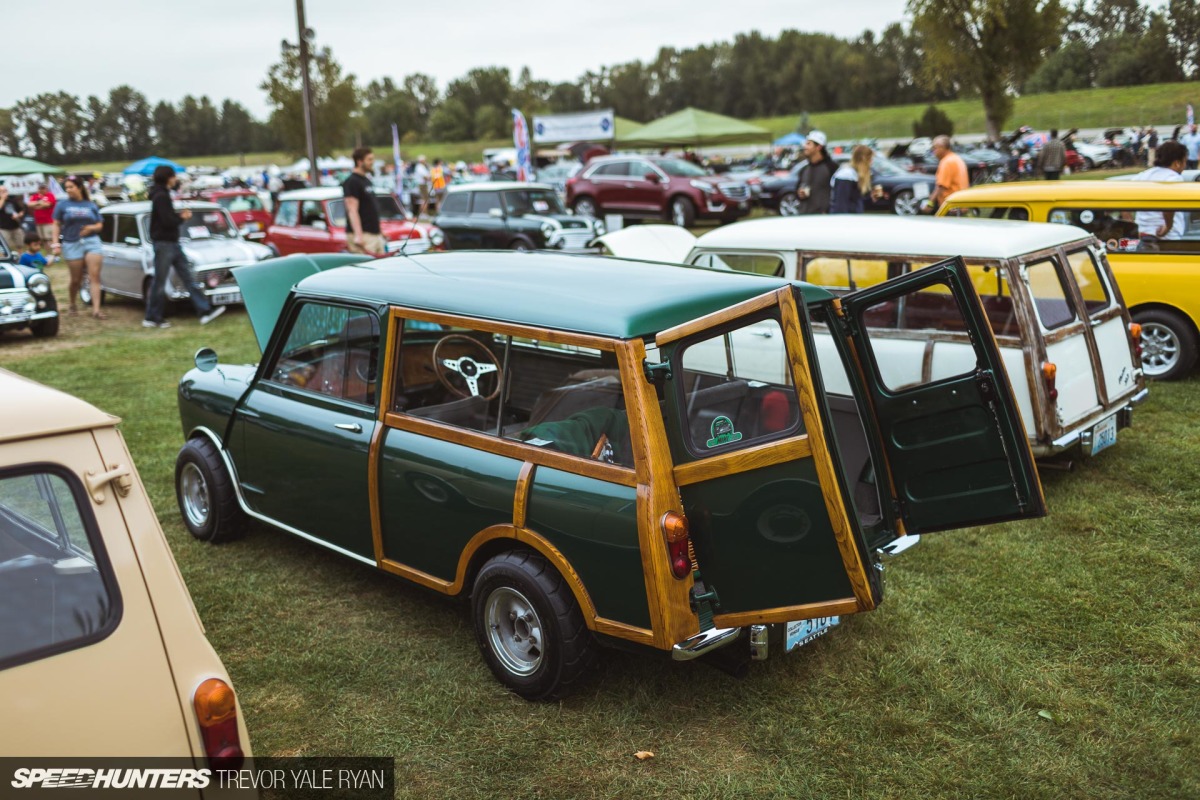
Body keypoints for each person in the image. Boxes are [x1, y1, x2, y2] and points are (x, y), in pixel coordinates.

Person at [143, 165, 225, 329]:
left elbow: (165, 218)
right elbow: (167, 221)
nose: (175, 179)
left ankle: (204, 311)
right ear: (167, 178)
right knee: (160, 281)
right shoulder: (161, 196)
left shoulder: (162, 195)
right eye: (173, 176)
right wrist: (182, 217)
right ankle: (152, 317)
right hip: (164, 243)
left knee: (188, 277)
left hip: (171, 243)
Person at [50, 176, 105, 318]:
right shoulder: (62, 205)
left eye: (71, 187)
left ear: (79, 187)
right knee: (76, 279)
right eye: (66, 187)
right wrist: (56, 243)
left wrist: (91, 227)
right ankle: (73, 303)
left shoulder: (90, 204)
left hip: (92, 242)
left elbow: (100, 224)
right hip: (71, 243)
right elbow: (56, 224)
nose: (68, 190)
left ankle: (96, 310)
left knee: (94, 276)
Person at [1132, 140, 1188, 251]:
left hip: (1143, 234)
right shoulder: (1174, 178)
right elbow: (1168, 207)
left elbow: (1124, 195)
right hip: (1166, 237)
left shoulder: (1144, 175)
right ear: (1177, 163)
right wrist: (1168, 226)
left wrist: (1130, 222)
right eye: (1184, 161)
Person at [343, 147, 383, 256]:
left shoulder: (367, 181)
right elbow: (352, 210)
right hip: (364, 236)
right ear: (360, 162)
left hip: (374, 234)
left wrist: (381, 231)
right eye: (369, 160)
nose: (372, 162)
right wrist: (358, 235)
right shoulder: (352, 182)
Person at [830, 145, 882, 213]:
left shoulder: (857, 175)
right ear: (864, 160)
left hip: (855, 219)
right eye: (870, 159)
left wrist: (872, 197)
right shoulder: (846, 175)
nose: (871, 163)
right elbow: (841, 205)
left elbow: (857, 201)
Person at [795, 130, 835, 214]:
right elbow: (797, 191)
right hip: (805, 218)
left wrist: (828, 211)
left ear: (818, 147)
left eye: (808, 144)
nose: (805, 146)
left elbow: (838, 194)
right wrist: (799, 194)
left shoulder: (831, 168)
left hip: (823, 220)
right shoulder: (804, 169)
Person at [929, 135, 969, 212]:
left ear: (942, 148)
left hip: (951, 207)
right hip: (962, 204)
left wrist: (929, 203)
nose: (933, 151)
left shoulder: (946, 162)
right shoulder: (956, 158)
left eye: (934, 148)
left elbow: (941, 186)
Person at [27, 184, 57, 262]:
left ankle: (53, 255)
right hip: (39, 221)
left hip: (48, 221)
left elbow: (48, 204)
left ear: (46, 189)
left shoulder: (50, 195)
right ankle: (48, 254)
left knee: (49, 239)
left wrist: (37, 204)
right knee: (42, 239)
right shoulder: (35, 196)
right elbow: (30, 204)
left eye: (43, 188)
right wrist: (40, 203)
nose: (42, 190)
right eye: (40, 188)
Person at [0, 185, 24, 254]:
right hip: (4, 227)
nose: (4, 193)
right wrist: (3, 199)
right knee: (6, 246)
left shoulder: (13, 200)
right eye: (1, 191)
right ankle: (8, 258)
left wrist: (19, 215)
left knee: (20, 244)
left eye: (5, 191)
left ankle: (19, 257)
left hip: (15, 226)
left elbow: (21, 210)